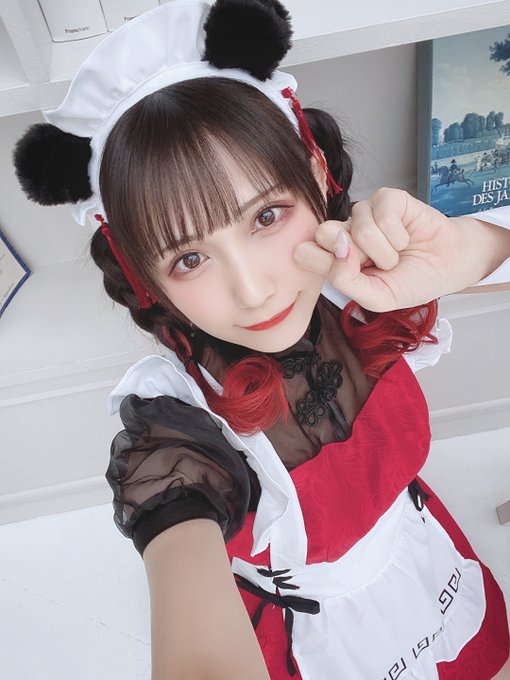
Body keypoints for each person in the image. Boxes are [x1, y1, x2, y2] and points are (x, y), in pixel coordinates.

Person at [12, 1, 510, 678]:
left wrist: (470, 248)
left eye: (266, 217)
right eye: (190, 259)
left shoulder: (363, 286)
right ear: (147, 279)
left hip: (428, 562)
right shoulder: (177, 427)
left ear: (315, 172)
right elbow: (187, 585)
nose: (253, 291)